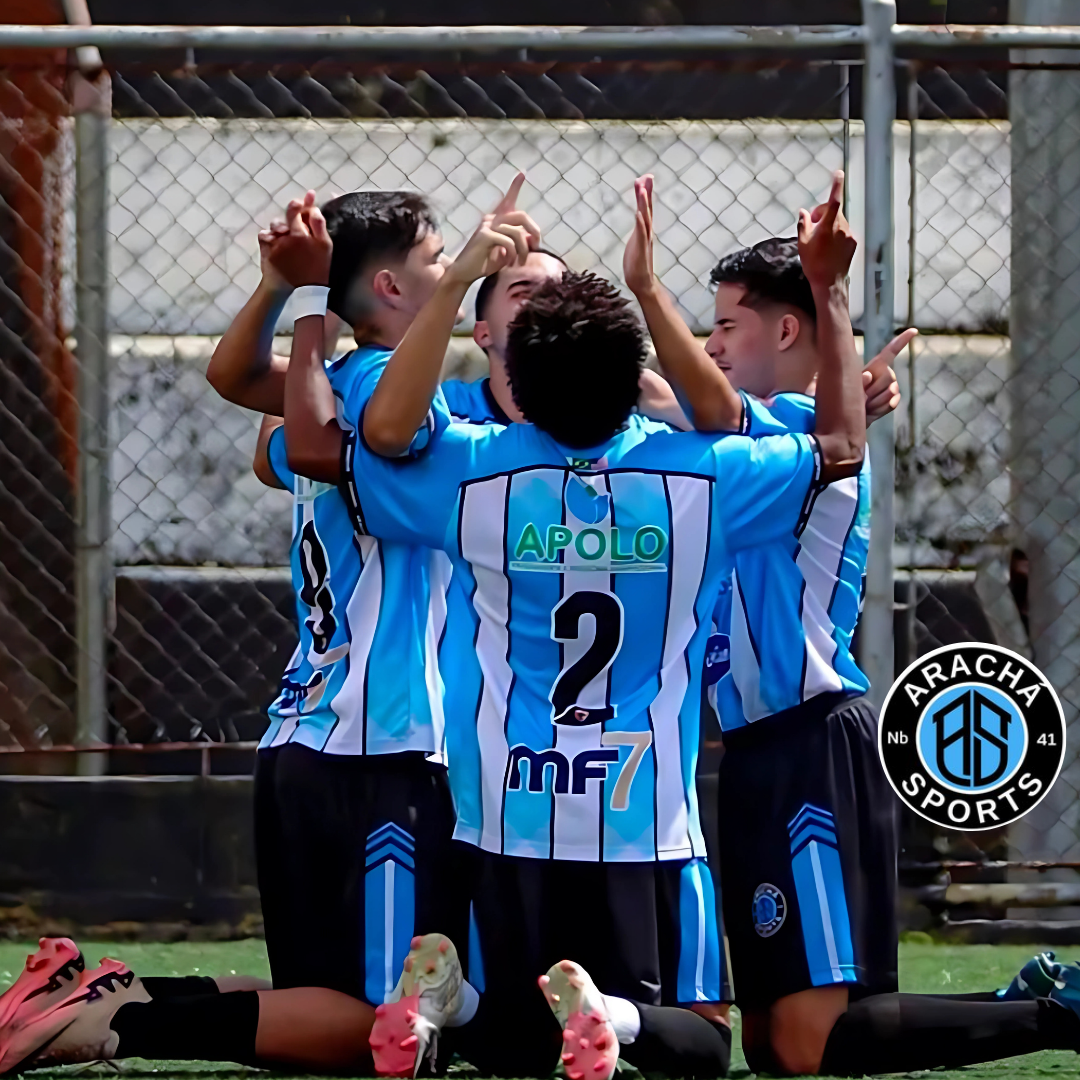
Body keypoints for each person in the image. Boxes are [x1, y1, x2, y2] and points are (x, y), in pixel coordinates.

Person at [269, 168, 865, 1080]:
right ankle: (617, 1019)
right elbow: (839, 448)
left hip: (504, 814)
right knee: (703, 1038)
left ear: (512, 375)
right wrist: (824, 291)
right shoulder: (704, 477)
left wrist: (314, 315)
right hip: (644, 819)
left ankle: (457, 1001)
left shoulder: (466, 473)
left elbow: (357, 447)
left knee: (504, 1037)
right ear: (635, 376)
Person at [622, 175, 1080, 1078]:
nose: (709, 346)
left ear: (783, 332)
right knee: (782, 1040)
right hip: (765, 754)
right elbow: (647, 395)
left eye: (726, 326)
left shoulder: (792, 426)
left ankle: (1053, 1014)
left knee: (806, 1047)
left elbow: (678, 394)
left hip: (808, 751)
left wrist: (648, 291)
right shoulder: (752, 434)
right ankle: (1025, 1001)